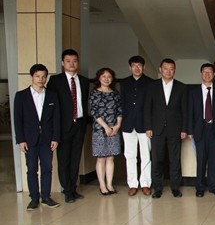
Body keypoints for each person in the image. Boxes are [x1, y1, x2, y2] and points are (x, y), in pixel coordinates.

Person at [14, 64, 61, 210]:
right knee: (32, 168)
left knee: (47, 168)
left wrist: (55, 138)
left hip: (47, 139)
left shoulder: (52, 95)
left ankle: (46, 197)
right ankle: (34, 198)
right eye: (37, 76)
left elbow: (56, 119)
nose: (41, 79)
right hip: (29, 139)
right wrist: (21, 140)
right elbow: (17, 120)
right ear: (32, 77)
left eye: (43, 76)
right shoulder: (21, 96)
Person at [47, 49, 90, 203]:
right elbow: (51, 105)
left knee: (75, 159)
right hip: (63, 126)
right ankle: (67, 190)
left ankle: (73, 187)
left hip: (79, 124)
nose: (72, 64)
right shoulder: (55, 81)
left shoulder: (84, 81)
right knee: (64, 159)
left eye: (74, 61)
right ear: (62, 63)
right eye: (68, 61)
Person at [144, 58, 188, 198]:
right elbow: (147, 108)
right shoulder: (152, 86)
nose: (168, 71)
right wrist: (148, 127)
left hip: (175, 129)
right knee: (157, 160)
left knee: (175, 160)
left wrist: (184, 129)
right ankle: (157, 188)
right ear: (160, 70)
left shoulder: (181, 87)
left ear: (174, 70)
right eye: (165, 68)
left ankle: (175, 187)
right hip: (157, 129)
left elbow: (185, 110)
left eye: (171, 69)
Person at [188, 63, 215, 197]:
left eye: (210, 72)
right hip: (199, 129)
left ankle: (213, 186)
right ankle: (200, 187)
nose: (207, 74)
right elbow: (190, 112)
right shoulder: (193, 92)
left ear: (214, 74)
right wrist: (190, 130)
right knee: (201, 160)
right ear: (201, 74)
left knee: (213, 159)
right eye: (204, 72)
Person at [120, 56, 153, 196]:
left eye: (139, 65)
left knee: (146, 155)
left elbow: (152, 106)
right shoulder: (124, 83)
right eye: (134, 65)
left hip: (145, 125)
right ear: (130, 67)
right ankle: (133, 184)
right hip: (128, 124)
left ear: (144, 67)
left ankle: (145, 183)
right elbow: (121, 103)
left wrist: (150, 125)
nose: (137, 68)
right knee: (130, 155)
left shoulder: (151, 83)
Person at [89, 67, 123, 195]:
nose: (106, 79)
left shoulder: (115, 94)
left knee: (110, 157)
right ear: (99, 78)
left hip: (114, 130)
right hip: (99, 130)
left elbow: (119, 110)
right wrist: (106, 127)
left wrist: (117, 125)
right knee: (101, 158)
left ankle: (109, 184)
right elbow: (94, 112)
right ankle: (102, 185)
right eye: (104, 76)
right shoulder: (94, 93)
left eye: (109, 77)